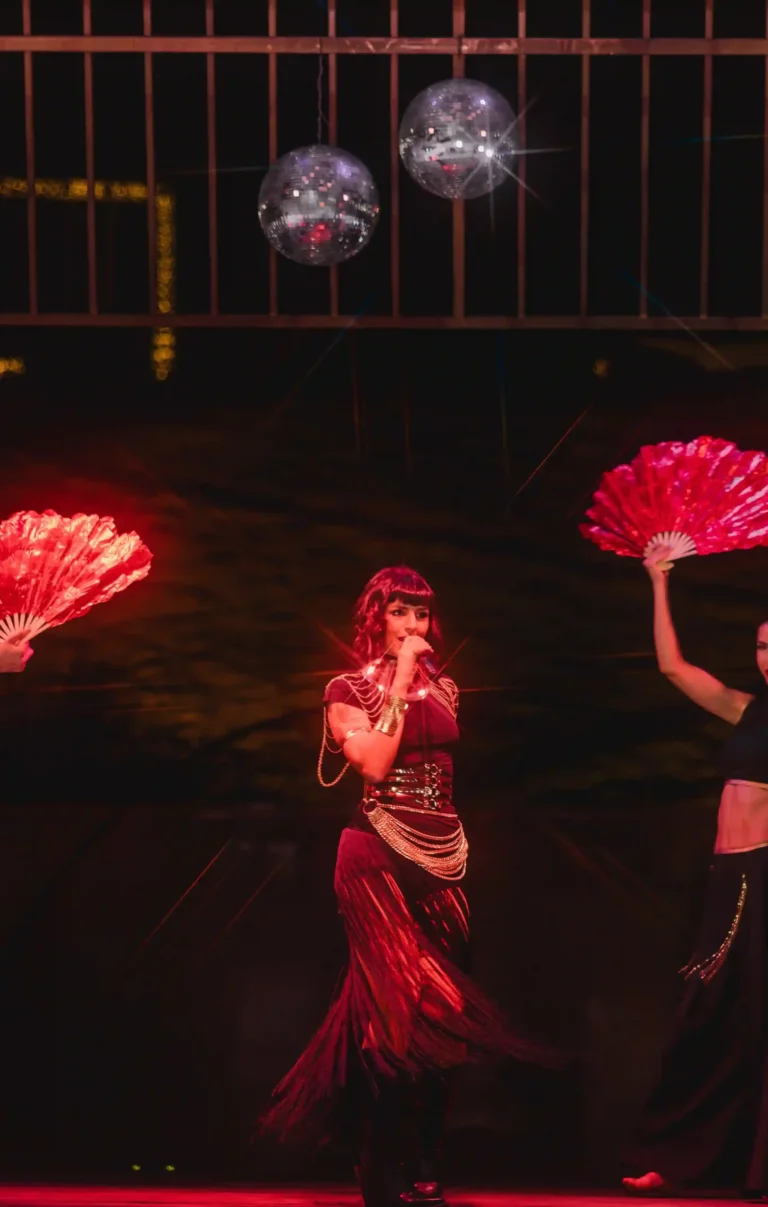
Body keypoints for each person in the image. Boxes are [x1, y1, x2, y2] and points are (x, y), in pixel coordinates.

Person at [261, 566, 547, 1207]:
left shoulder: (447, 688)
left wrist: (416, 680)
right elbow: (375, 763)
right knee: (396, 1018)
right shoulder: (343, 689)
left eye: (421, 616)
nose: (413, 627)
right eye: (400, 614)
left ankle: (423, 1157)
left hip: (443, 857)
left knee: (443, 1016)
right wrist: (395, 681)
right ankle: (380, 1165)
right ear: (375, 620)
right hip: (373, 857)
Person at [624, 545, 768, 1197]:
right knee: (707, 1014)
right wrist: (659, 581)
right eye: (764, 646)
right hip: (726, 881)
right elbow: (673, 667)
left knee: (751, 1018)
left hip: (762, 882)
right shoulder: (747, 708)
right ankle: (682, 1157)